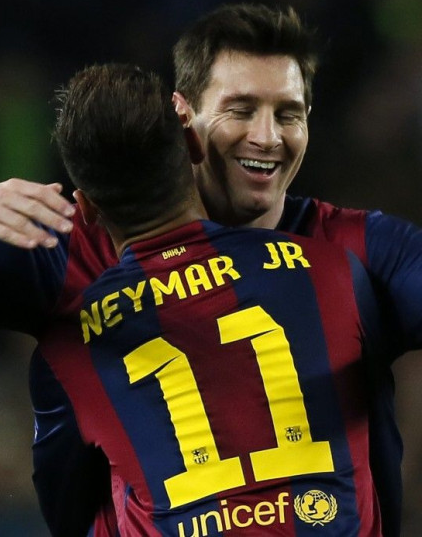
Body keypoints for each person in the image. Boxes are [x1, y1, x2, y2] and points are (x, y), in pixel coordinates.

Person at [0, 4, 422, 537]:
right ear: (185, 119)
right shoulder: (78, 245)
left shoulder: (353, 242)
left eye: (288, 113)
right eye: (241, 110)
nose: (267, 136)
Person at [45, 60, 388, 535]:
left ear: (84, 208)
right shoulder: (330, 271)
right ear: (193, 144)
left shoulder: (69, 347)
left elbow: (65, 507)